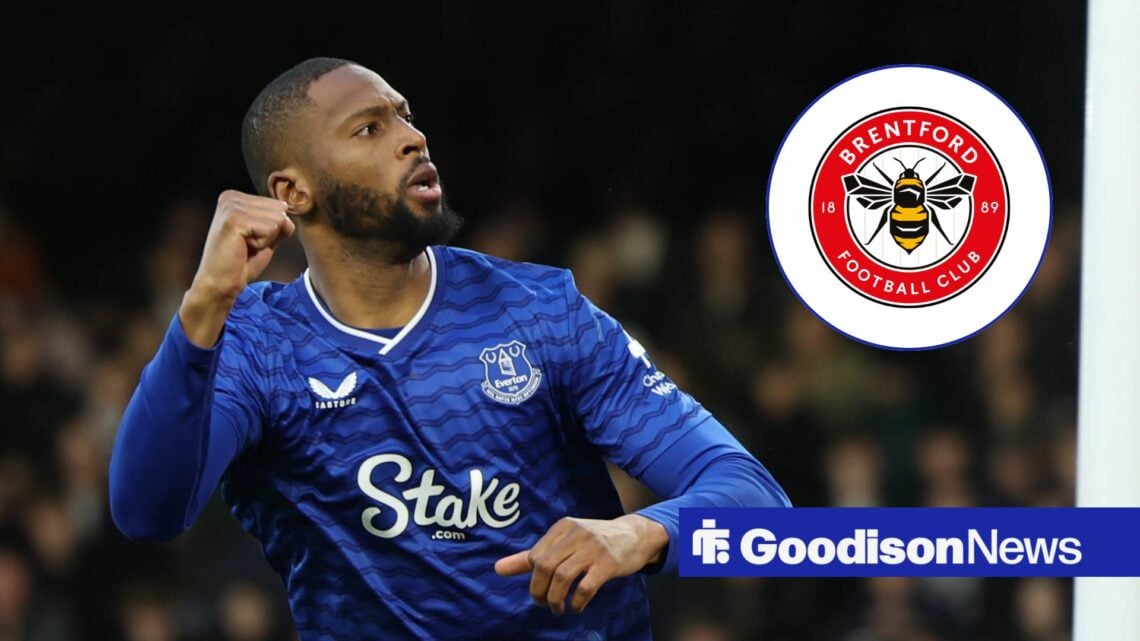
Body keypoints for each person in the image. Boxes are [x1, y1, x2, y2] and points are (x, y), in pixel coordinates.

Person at [108, 56, 791, 640]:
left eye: (405, 116)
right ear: (293, 191)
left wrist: (640, 533)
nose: (413, 138)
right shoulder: (257, 345)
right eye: (370, 128)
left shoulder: (541, 312)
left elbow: (758, 505)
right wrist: (199, 311)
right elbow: (147, 512)